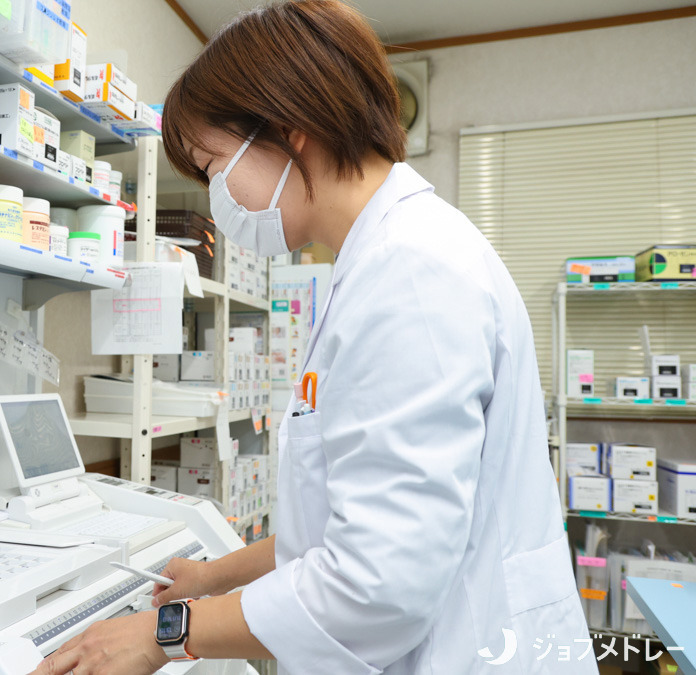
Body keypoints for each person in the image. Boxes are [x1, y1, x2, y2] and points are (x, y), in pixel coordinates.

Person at [30, 2, 594, 674]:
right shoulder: (378, 262)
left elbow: (375, 586)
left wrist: (166, 633)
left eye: (212, 165)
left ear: (291, 131)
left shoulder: (411, 275)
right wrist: (212, 578)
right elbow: (346, 513)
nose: (217, 197)